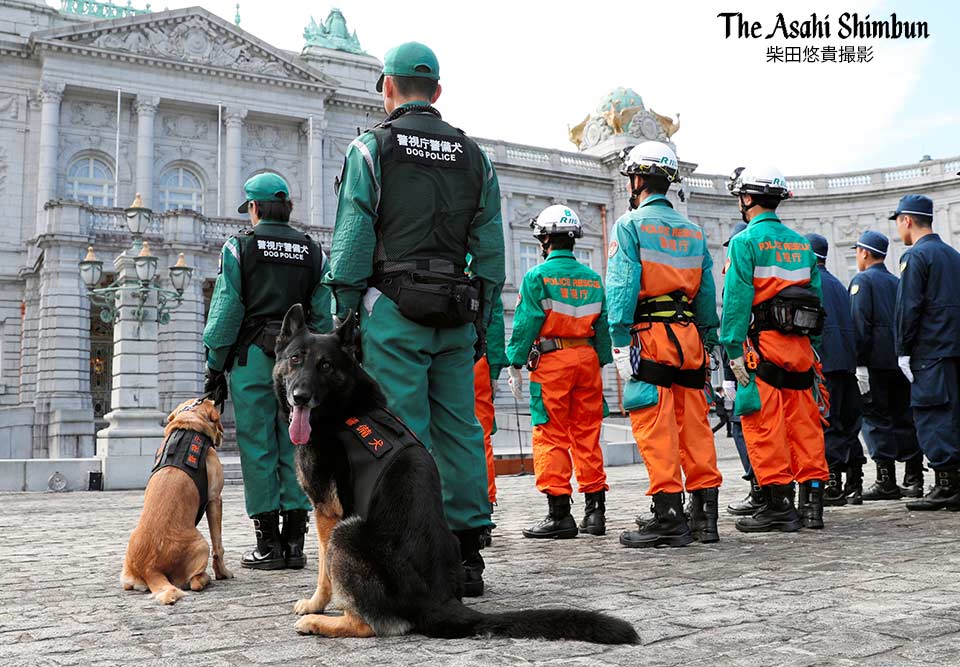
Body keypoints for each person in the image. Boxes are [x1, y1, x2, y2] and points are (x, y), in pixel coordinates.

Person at [323, 42, 505, 595]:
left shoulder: (371, 148)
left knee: (402, 430)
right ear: (438, 93)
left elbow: (353, 240)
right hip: (456, 308)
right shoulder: (476, 156)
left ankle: (416, 554)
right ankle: (468, 554)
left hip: (394, 306)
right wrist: (484, 319)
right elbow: (492, 251)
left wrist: (345, 314)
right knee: (461, 428)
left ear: (387, 88)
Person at [203, 173, 331, 570]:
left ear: (254, 208)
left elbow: (227, 310)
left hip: (255, 359)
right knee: (299, 441)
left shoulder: (239, 247)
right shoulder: (312, 250)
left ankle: (269, 545)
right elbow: (323, 312)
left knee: (257, 446)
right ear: (287, 207)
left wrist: (215, 362)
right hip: (300, 360)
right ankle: (296, 542)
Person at [606, 142, 723, 548]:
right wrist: (707, 341)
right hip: (689, 337)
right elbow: (707, 294)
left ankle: (668, 516)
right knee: (694, 425)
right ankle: (705, 519)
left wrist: (619, 342)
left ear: (636, 180)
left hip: (649, 336)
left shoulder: (629, 224)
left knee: (655, 426)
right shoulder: (693, 231)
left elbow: (621, 286)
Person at [721, 165, 829, 533]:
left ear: (747, 198)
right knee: (805, 428)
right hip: (800, 352)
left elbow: (736, 303)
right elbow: (816, 302)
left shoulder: (744, 242)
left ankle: (779, 506)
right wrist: (811, 349)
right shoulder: (802, 244)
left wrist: (732, 351)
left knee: (765, 427)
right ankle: (813, 506)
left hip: (762, 351)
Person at [506, 205, 612, 539]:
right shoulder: (594, 278)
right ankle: (595, 513)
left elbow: (526, 323)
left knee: (551, 434)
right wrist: (602, 359)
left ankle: (559, 515)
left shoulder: (537, 277)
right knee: (587, 433)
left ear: (545, 239)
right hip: (587, 359)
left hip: (554, 362)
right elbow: (603, 329)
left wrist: (515, 361)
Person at [892, 194, 960, 511]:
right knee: (954, 413)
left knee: (932, 413)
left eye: (898, 221)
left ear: (907, 220)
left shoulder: (915, 257)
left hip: (929, 350)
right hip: (954, 347)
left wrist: (903, 350)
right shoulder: (952, 254)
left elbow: (908, 307)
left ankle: (947, 484)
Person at [848, 229, 924, 501]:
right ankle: (914, 477)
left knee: (876, 419)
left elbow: (859, 324)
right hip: (898, 362)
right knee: (904, 417)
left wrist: (858, 363)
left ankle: (886, 480)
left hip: (874, 364)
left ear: (865, 252)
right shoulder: (897, 281)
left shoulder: (862, 281)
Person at [805, 233, 864, 506]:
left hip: (824, 362)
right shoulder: (840, 285)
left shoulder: (810, 283)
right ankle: (855, 479)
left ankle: (832, 482)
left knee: (826, 424)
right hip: (845, 363)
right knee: (847, 423)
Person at [718, 222, 763, 516]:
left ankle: (759, 488)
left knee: (742, 426)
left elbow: (730, 327)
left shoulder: (738, 274)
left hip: (745, 363)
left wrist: (727, 377)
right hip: (770, 358)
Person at [474, 295, 506, 547]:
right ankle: (481, 516)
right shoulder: (481, 273)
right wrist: (494, 368)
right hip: (474, 358)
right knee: (479, 437)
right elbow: (494, 323)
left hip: (422, 357)